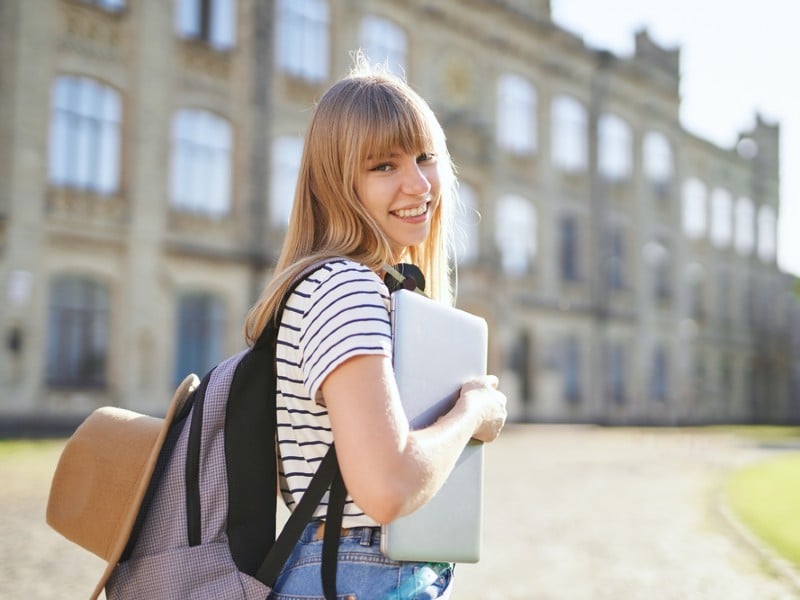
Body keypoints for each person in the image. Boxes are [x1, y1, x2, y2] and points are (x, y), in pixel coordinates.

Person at [244, 56, 508, 599]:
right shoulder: (345, 287)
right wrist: (472, 412)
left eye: (424, 157)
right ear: (337, 184)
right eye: (382, 166)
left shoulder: (348, 286)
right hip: (358, 573)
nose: (418, 184)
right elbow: (387, 487)